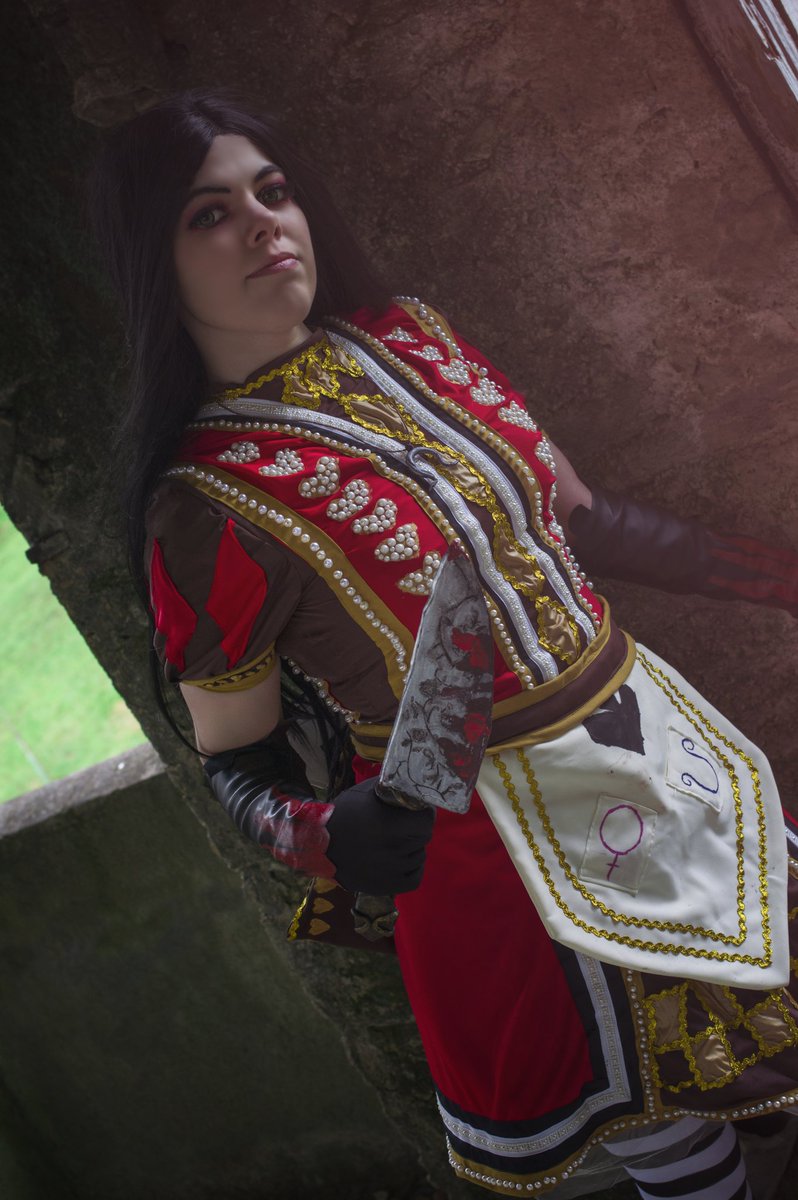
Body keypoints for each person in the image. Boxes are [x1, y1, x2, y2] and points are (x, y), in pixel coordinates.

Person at [87, 87, 798, 1199]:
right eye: (210, 214)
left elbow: (583, 519)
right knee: (667, 1136)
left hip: (657, 745)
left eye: (273, 192)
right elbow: (235, 756)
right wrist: (322, 830)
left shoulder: (412, 337)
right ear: (154, 262)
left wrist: (776, 575)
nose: (265, 224)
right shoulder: (203, 507)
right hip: (493, 846)